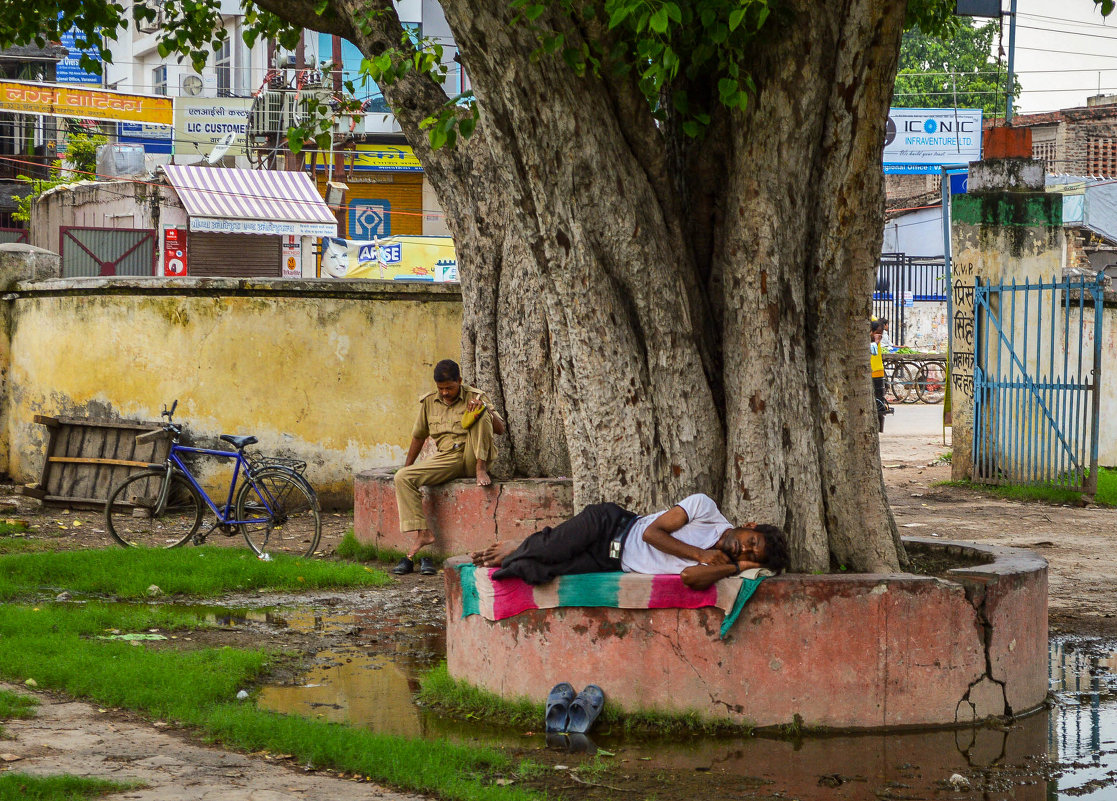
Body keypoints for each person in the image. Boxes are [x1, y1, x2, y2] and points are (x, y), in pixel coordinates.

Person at [471, 493, 789, 590]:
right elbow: (652, 534)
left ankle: (521, 553)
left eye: (751, 554)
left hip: (610, 560)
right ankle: (518, 545)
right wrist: (700, 553)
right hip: (610, 526)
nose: (743, 548)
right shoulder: (706, 509)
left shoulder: (721, 565)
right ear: (749, 526)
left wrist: (732, 568)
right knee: (549, 547)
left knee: (540, 572)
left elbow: (689, 577)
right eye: (751, 541)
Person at [393, 359, 505, 576]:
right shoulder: (429, 402)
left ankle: (481, 469)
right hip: (448, 458)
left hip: (474, 455)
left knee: (480, 413)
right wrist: (407, 467)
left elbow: (499, 429)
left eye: (449, 388)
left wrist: (484, 411)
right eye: (441, 389)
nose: (445, 393)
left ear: (460, 382)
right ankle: (424, 533)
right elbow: (418, 436)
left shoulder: (475, 395)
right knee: (402, 477)